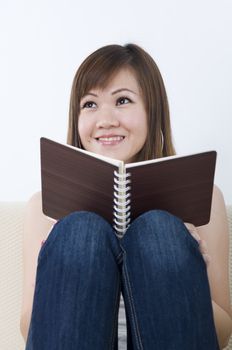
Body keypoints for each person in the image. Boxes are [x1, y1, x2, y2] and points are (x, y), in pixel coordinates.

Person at [20, 43, 232, 349]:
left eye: (122, 100)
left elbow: (223, 334)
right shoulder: (44, 205)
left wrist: (191, 277)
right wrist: (51, 279)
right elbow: (30, 331)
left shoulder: (203, 197)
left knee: (159, 229)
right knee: (81, 231)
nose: (105, 119)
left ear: (152, 110)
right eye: (89, 104)